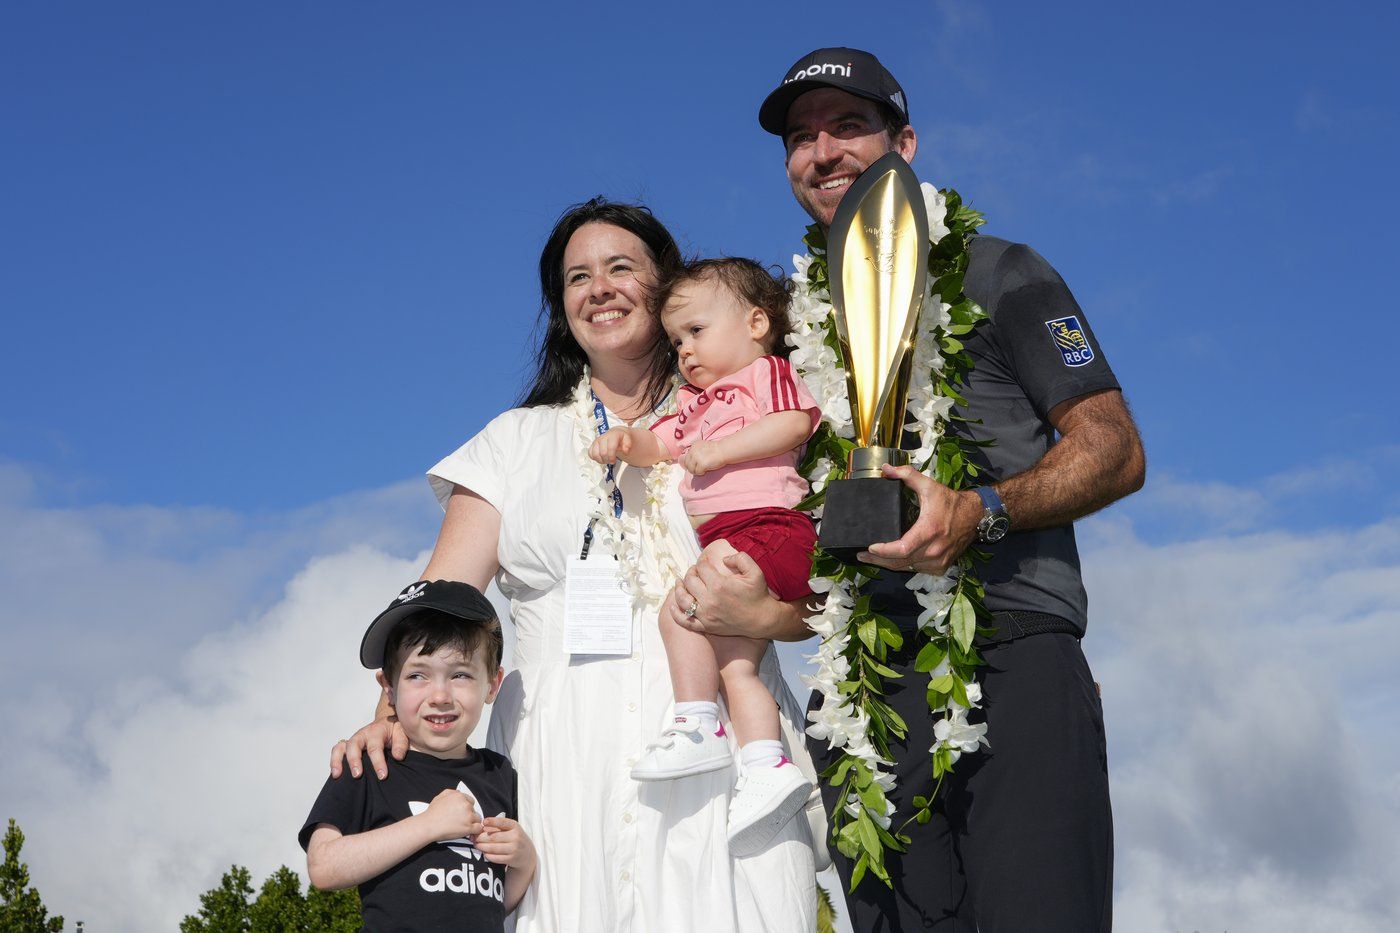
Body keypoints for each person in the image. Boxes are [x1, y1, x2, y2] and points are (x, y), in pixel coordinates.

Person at [668, 48, 1147, 931]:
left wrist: (982, 511)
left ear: (906, 142)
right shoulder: (789, 324)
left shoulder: (1001, 270)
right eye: (801, 138)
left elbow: (1115, 448)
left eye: (849, 126)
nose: (822, 152)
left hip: (1012, 652)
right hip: (861, 694)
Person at [329, 199, 817, 933]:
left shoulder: (755, 418)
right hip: (559, 758)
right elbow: (446, 606)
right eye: (576, 277)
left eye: (623, 267)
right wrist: (386, 719)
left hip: (722, 744)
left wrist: (771, 617)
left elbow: (823, 591)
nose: (600, 288)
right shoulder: (513, 442)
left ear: (669, 288)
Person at [588, 257, 820, 856]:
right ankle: (767, 767)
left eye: (696, 331)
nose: (685, 350)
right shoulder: (690, 403)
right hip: (738, 539)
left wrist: (721, 452)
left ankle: (696, 723)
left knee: (680, 611)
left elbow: (795, 423)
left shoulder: (762, 374)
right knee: (736, 665)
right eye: (676, 340)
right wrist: (625, 441)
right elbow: (658, 444)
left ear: (755, 323)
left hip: (768, 526)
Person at [301, 581, 536, 931]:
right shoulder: (369, 765)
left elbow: (494, 906)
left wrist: (524, 861)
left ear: (492, 685)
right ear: (389, 689)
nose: (440, 695)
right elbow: (323, 866)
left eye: (460, 675)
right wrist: (427, 826)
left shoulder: (500, 773)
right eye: (417, 676)